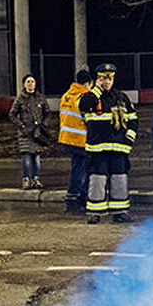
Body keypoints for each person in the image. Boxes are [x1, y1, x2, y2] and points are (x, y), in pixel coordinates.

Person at [80, 63, 137, 223]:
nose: (106, 82)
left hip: (119, 149)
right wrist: (96, 90)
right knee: (97, 180)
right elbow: (83, 107)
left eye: (109, 79)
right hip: (98, 149)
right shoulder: (90, 97)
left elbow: (133, 121)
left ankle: (120, 212)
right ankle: (95, 213)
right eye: (102, 79)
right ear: (96, 80)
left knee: (119, 179)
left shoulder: (122, 98)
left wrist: (129, 140)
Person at [59, 68, 93, 213]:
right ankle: (77, 200)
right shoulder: (83, 96)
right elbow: (88, 120)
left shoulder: (67, 95)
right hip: (80, 139)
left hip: (67, 138)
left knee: (77, 169)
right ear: (88, 83)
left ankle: (73, 199)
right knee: (83, 170)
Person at [9, 73, 50, 190]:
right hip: (25, 133)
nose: (30, 84)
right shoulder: (20, 98)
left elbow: (47, 112)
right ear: (24, 84)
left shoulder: (40, 97)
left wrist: (44, 125)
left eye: (32, 81)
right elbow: (12, 114)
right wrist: (21, 125)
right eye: (28, 82)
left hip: (37, 133)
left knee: (36, 158)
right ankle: (26, 179)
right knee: (26, 157)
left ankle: (36, 179)